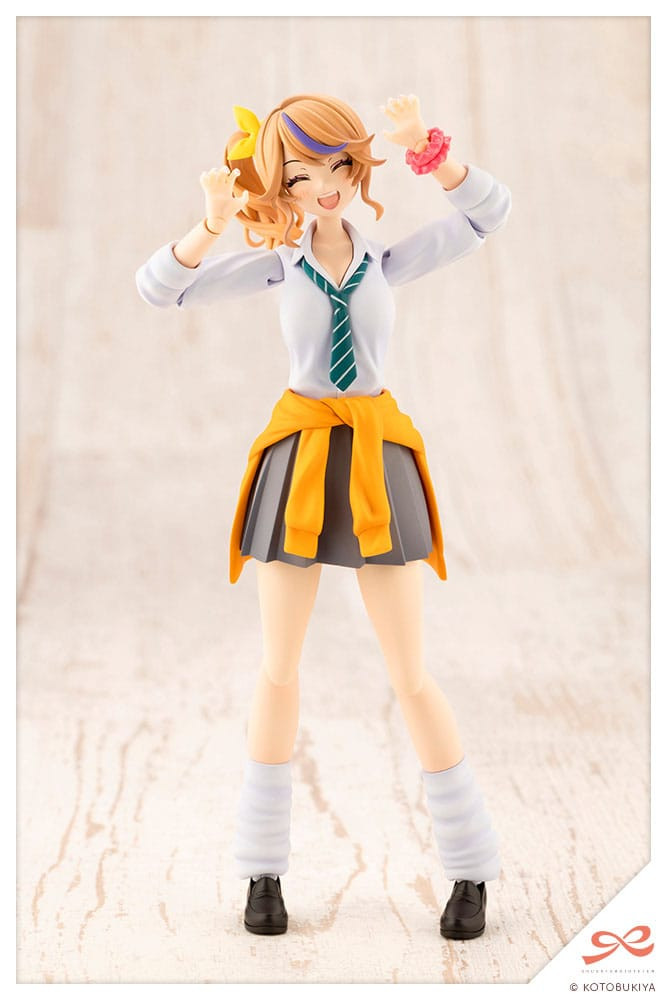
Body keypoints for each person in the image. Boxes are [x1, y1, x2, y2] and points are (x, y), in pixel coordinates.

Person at [136, 93, 511, 940]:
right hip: (301, 454)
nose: (326, 185)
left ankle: (469, 867)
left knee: (409, 672)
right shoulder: (278, 265)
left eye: (339, 165)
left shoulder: (386, 261)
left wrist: (429, 149)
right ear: (282, 183)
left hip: (375, 453)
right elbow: (160, 289)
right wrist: (209, 223)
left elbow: (488, 215)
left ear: (357, 165)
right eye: (303, 173)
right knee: (279, 666)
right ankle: (261, 869)